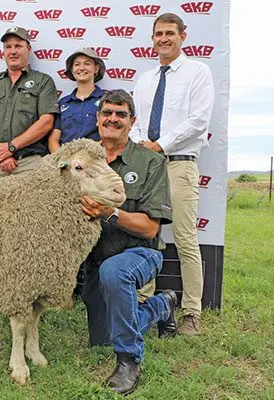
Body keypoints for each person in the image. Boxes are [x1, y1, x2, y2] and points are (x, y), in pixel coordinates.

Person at [80, 89, 178, 395]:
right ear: (98, 118)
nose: (113, 119)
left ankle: (128, 361)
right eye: (107, 113)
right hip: (95, 259)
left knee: (114, 272)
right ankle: (162, 305)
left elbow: (149, 228)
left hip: (138, 252)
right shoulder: (82, 160)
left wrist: (109, 213)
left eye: (120, 114)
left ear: (132, 121)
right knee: (103, 338)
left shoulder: (150, 162)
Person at [129, 12, 214, 335]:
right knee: (147, 235)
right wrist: (143, 146)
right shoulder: (146, 79)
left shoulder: (198, 72)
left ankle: (192, 312)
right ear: (152, 39)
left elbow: (199, 120)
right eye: (158, 34)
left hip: (178, 163)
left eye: (169, 33)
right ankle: (143, 304)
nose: (163, 39)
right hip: (149, 166)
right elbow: (135, 123)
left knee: (185, 238)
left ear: (182, 36)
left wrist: (159, 145)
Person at [0, 26, 59, 180]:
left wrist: (11, 147)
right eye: (8, 47)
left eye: (18, 46)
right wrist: (0, 154)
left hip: (29, 164)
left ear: (28, 49)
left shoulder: (43, 81)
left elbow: (46, 122)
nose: (13, 51)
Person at [48, 47, 106, 153]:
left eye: (87, 64)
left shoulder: (106, 101)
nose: (82, 68)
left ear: (96, 69)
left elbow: (111, 135)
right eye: (77, 64)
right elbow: (53, 140)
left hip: (94, 158)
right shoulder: (63, 103)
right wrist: (62, 159)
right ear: (72, 70)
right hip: (65, 159)